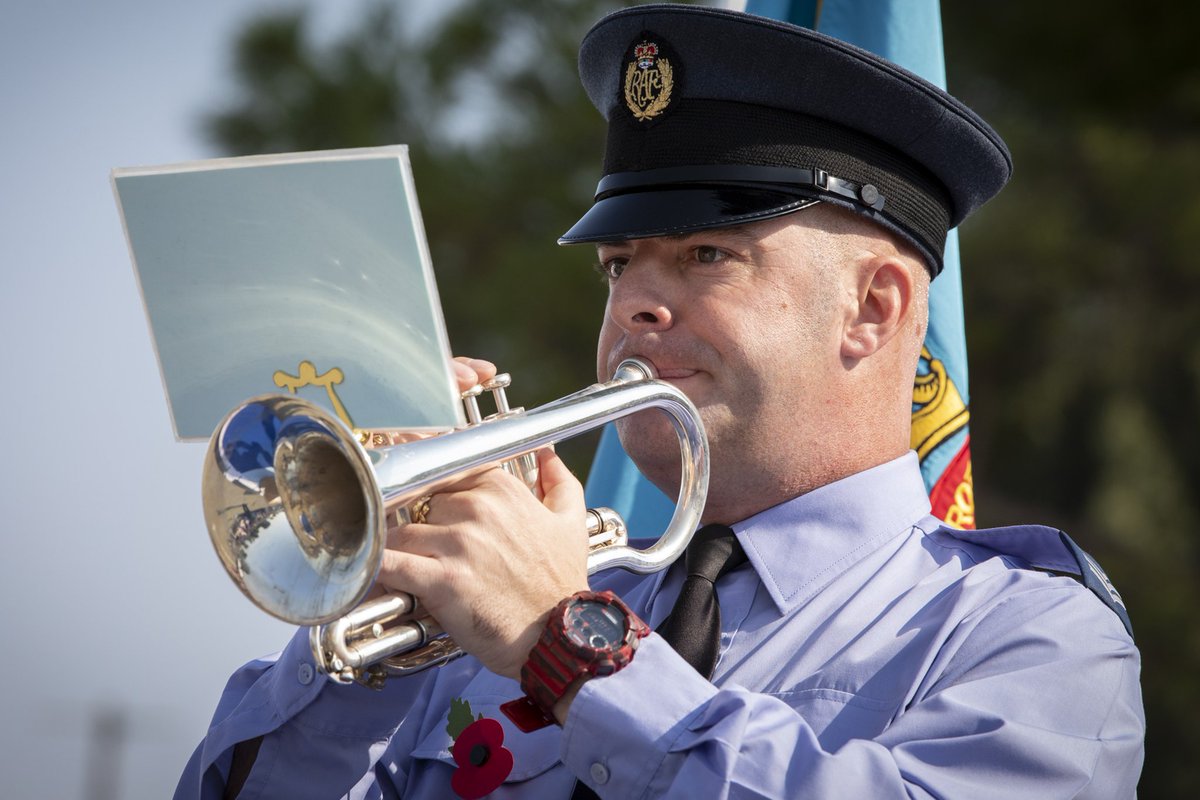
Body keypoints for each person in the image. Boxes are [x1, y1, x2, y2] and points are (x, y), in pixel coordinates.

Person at [177, 5, 1144, 798]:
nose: (634, 302)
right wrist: (376, 603)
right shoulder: (480, 622)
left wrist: (568, 647)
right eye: (617, 262)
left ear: (873, 306)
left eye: (706, 255)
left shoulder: (1031, 638)